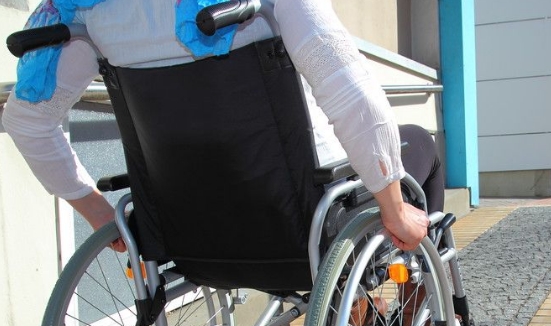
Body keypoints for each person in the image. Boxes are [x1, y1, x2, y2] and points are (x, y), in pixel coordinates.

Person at [2, 0, 444, 253]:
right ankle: (416, 295)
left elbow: (27, 123)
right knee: (421, 146)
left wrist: (103, 219)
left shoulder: (88, 11)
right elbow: (350, 92)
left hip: (183, 233)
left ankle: (364, 314)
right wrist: (394, 207)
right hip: (299, 217)